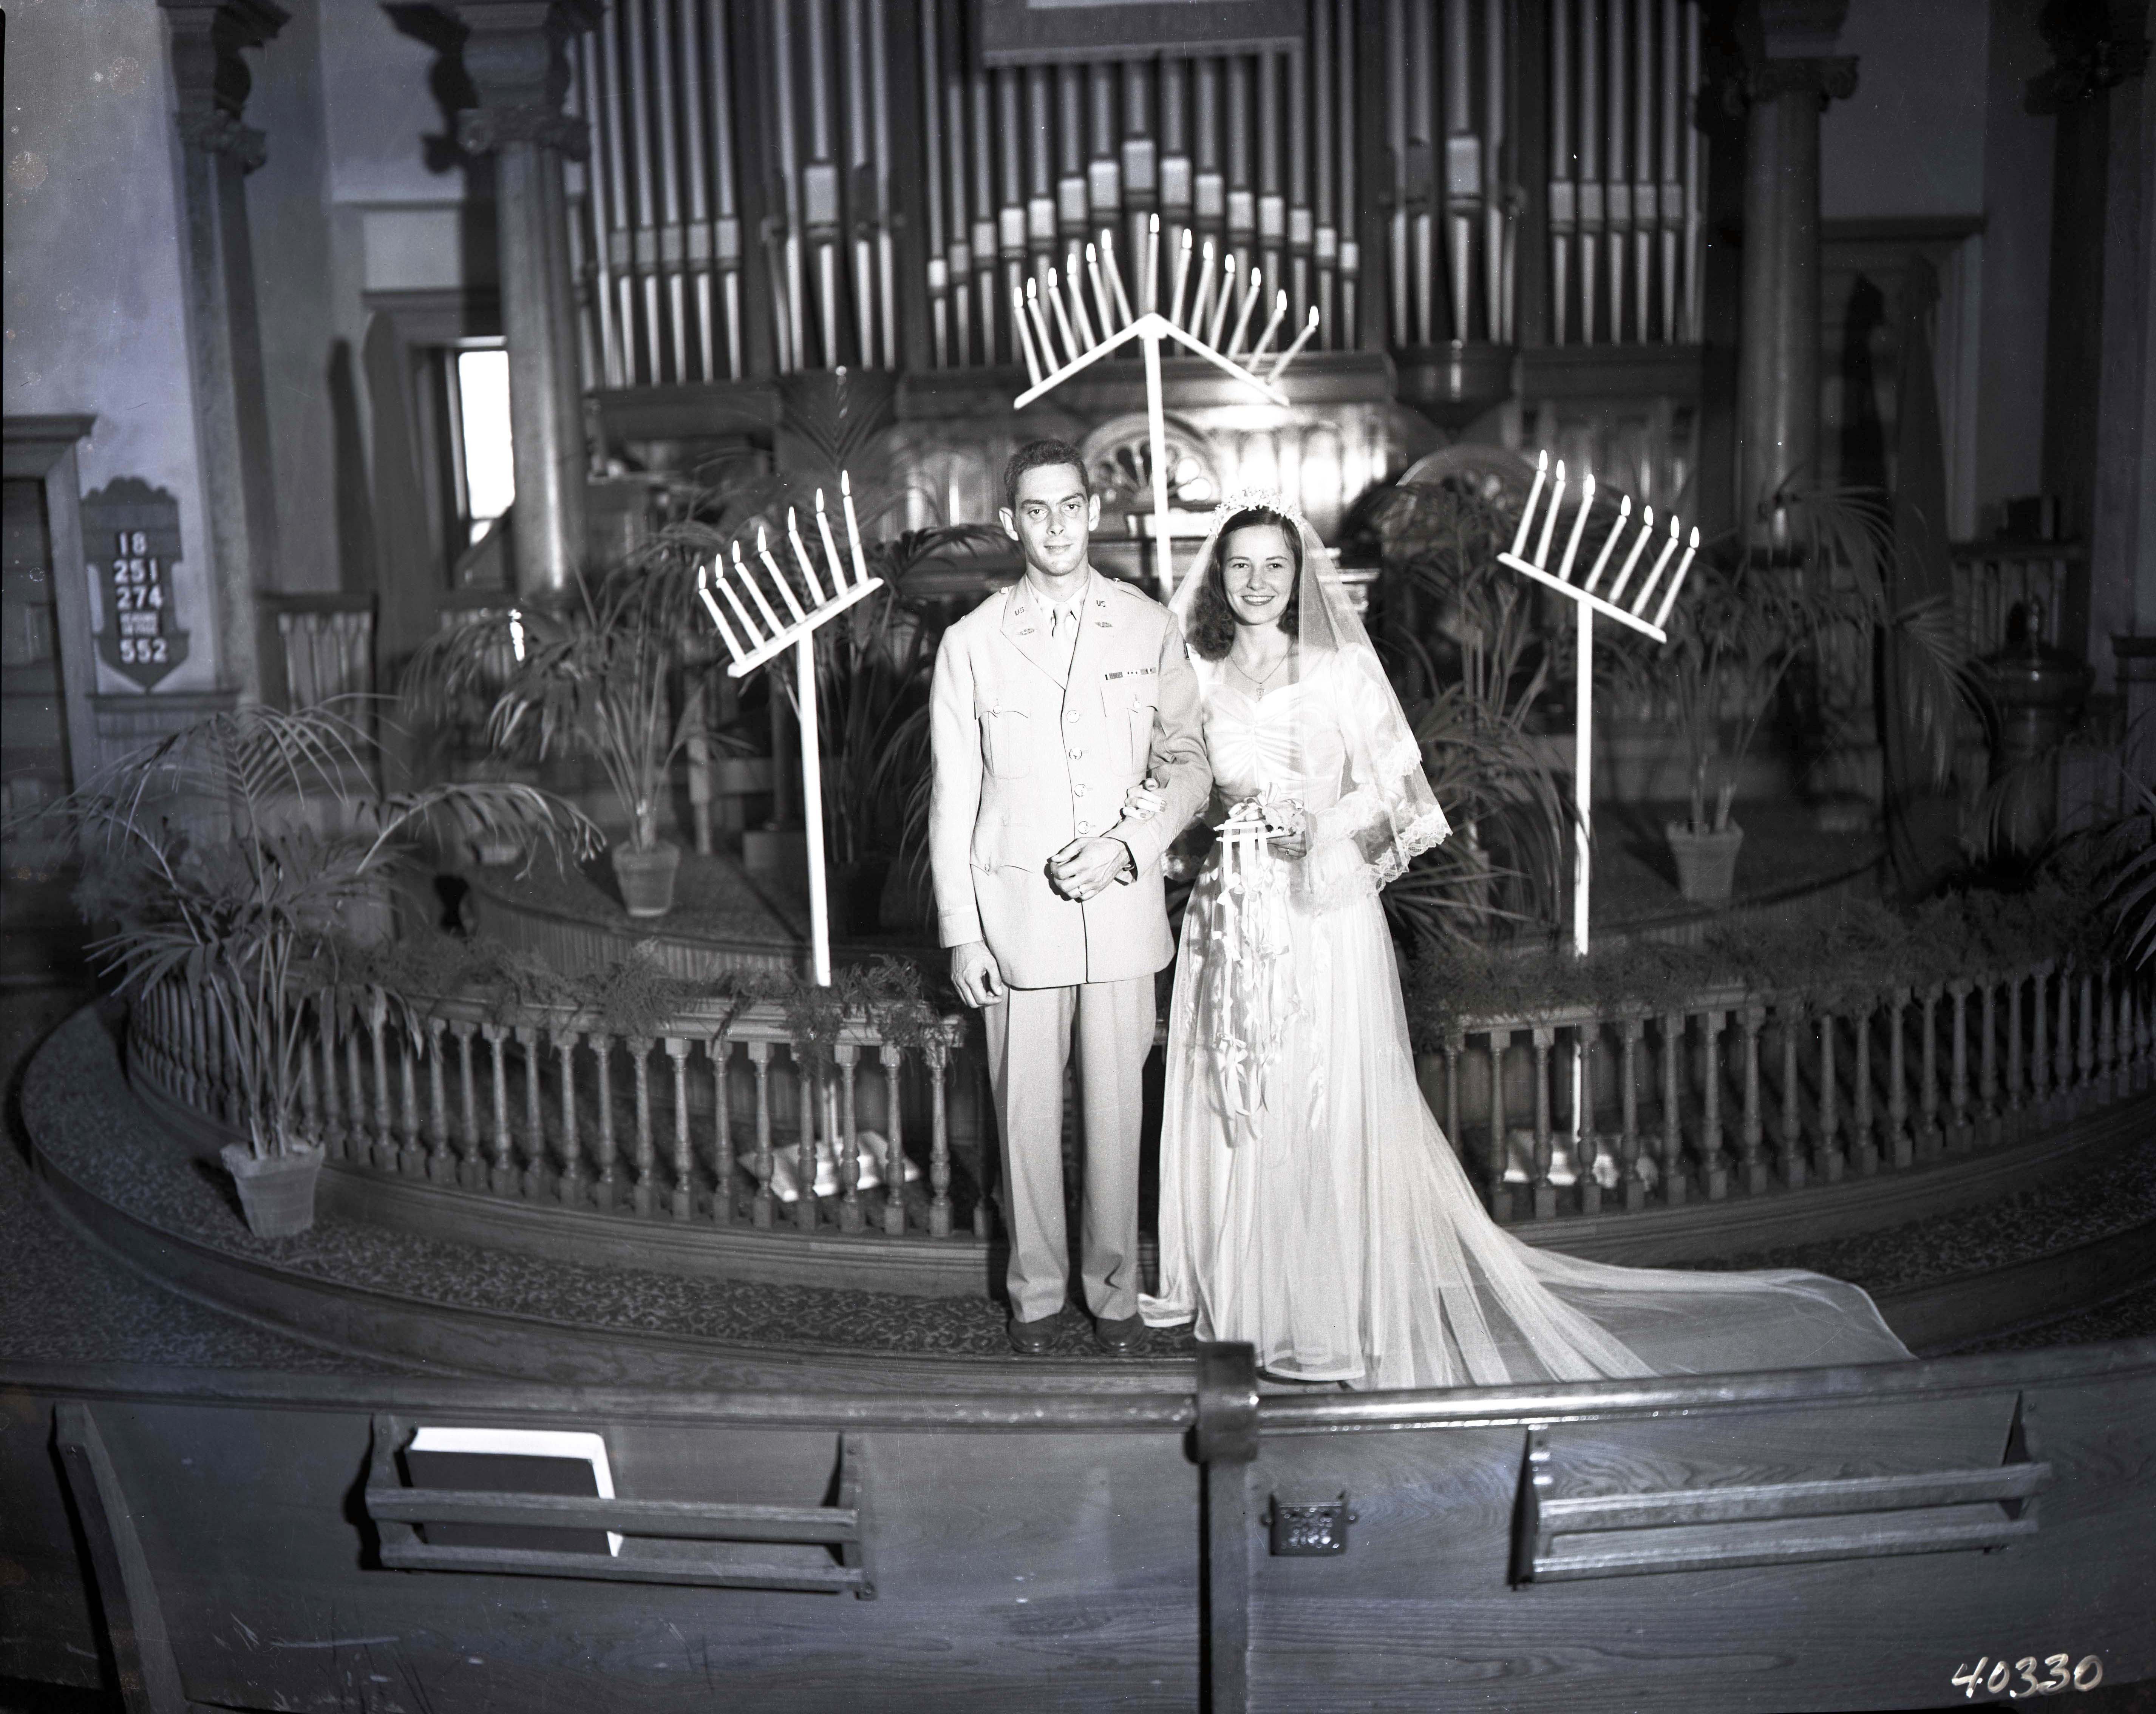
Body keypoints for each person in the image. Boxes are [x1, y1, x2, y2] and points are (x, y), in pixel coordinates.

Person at [1127, 493, 1912, 1390]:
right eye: (1239, 565)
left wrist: (1322, 828)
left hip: (1320, 909)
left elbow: (1396, 795)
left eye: (1274, 564)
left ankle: (1324, 1301)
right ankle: (1245, 1290)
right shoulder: (1196, 672)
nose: (1257, 582)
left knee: (1319, 1091)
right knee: (1238, 1092)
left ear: (1299, 574)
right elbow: (1182, 785)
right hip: (1231, 912)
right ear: (1218, 578)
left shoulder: (1339, 669)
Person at [928, 440, 1211, 1355]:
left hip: (1122, 917)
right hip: (1016, 926)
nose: (1055, 526)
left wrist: (1131, 844)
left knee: (1117, 1121)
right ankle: (1037, 1296)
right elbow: (953, 799)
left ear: (1093, 511)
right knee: (1023, 1121)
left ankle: (1115, 1296)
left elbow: (1189, 765)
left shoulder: (1148, 626)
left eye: (1070, 506)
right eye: (1035, 509)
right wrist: (963, 933)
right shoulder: (972, 643)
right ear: (1010, 522)